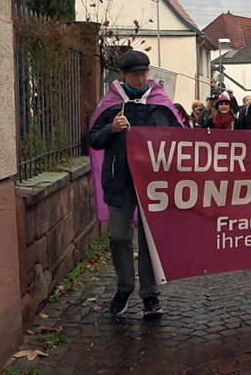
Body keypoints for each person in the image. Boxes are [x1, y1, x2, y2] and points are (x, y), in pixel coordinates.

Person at [88, 50, 182, 318]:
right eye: (136, 75)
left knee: (150, 239)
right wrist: (112, 129)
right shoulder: (111, 104)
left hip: (153, 182)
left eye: (144, 74)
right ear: (123, 75)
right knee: (119, 236)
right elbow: (94, 140)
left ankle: (150, 294)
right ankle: (124, 287)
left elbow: (179, 138)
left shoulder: (159, 102)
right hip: (119, 179)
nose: (141, 79)